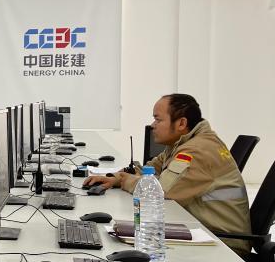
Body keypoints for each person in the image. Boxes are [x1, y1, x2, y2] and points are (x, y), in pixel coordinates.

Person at [84, 94, 252, 253]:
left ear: (181, 123)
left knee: (127, 247)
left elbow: (162, 191)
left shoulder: (197, 151)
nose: (153, 125)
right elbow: (150, 169)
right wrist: (115, 177)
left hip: (225, 244)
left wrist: (123, 179)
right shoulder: (184, 143)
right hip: (202, 230)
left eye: (158, 119)